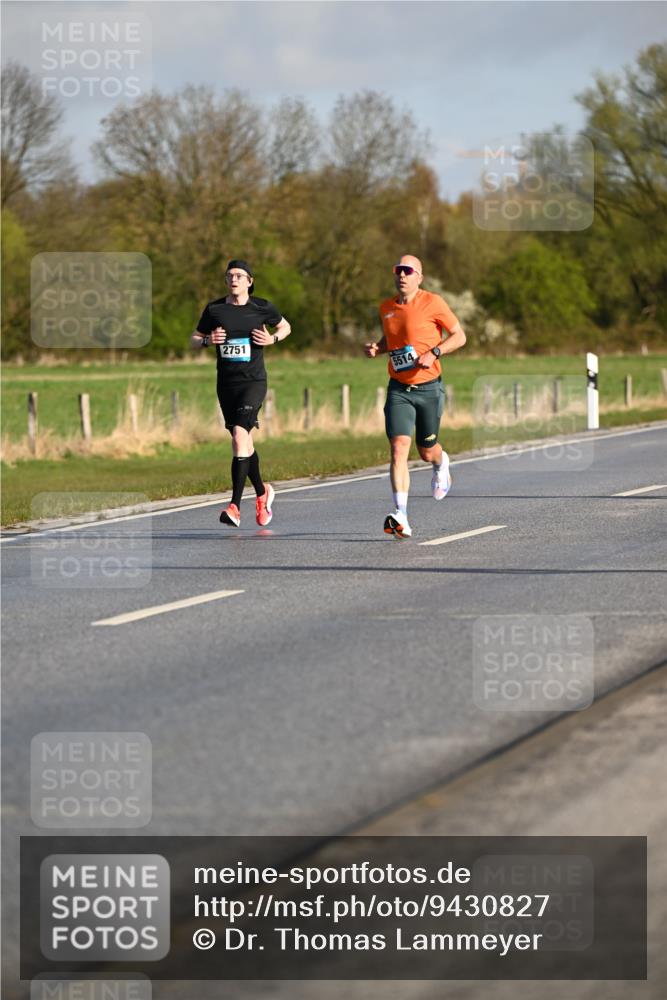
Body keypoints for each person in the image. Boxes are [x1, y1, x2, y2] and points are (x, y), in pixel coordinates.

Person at [364, 254, 466, 537]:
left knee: (426, 451)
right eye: (398, 270)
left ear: (419, 277)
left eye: (408, 271)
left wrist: (434, 352)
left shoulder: (433, 302)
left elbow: (460, 336)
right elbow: (394, 340)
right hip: (399, 389)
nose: (402, 275)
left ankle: (440, 461)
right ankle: (402, 516)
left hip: (429, 388)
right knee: (398, 448)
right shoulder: (386, 308)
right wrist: (378, 348)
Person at [191, 259, 291, 527]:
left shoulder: (262, 307)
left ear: (249, 281)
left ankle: (235, 506)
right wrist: (207, 341)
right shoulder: (215, 309)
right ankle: (262, 492)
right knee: (243, 442)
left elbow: (285, 326)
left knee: (239, 436)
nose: (234, 279)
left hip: (253, 382)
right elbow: (194, 338)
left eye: (239, 275)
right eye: (230, 275)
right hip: (226, 384)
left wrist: (273, 339)